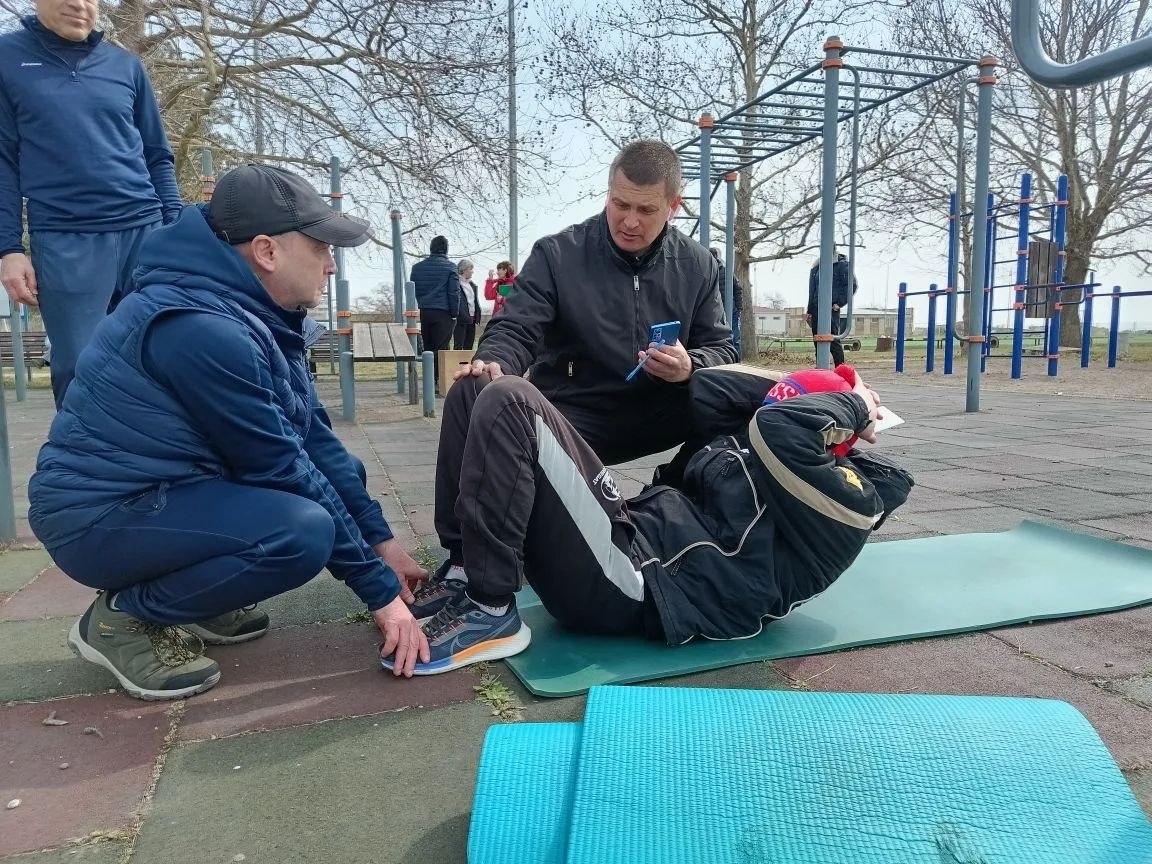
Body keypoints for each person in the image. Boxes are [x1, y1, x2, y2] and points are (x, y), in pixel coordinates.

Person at [28, 165, 430, 701]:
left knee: (304, 510)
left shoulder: (256, 314)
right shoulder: (203, 328)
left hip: (163, 495)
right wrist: (382, 597)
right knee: (299, 532)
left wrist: (385, 547)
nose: (331, 265)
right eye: (321, 248)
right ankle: (119, 620)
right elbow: (282, 468)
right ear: (266, 251)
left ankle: (198, 600)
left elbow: (315, 442)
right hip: (98, 520)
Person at [398, 139, 737, 642]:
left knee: (742, 399)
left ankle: (710, 526)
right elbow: (516, 328)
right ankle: (469, 567)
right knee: (475, 390)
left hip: (663, 405)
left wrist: (691, 366)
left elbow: (726, 352)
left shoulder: (699, 265)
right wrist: (494, 361)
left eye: (646, 210)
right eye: (620, 203)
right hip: (575, 414)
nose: (629, 221)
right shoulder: (558, 254)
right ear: (608, 192)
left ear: (673, 206)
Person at [381, 362, 912, 674]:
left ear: (830, 430)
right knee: (475, 390)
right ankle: (467, 572)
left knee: (512, 400)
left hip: (639, 587)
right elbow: (710, 391)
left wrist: (856, 405)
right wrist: (786, 386)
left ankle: (493, 609)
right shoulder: (755, 436)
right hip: (626, 537)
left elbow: (781, 431)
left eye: (787, 405)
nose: (768, 411)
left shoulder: (850, 503)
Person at [0, 0, 183, 408]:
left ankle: (158, 467)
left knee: (162, 358)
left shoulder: (126, 66)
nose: (79, 4)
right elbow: (3, 163)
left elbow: (157, 155)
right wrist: (9, 248)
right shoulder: (6, 59)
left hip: (146, 232)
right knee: (80, 367)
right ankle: (83, 466)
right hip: (66, 238)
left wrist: (177, 230)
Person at [410, 235, 459, 389]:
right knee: (442, 347)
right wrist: (454, 312)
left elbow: (414, 290)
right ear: (446, 249)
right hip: (444, 312)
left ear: (431, 248)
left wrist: (422, 303)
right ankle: (440, 380)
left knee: (428, 347)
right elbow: (454, 292)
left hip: (425, 311)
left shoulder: (417, 268)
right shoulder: (451, 267)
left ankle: (429, 380)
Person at [806, 252, 858, 366]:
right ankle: (821, 368)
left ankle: (841, 369)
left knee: (833, 340)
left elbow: (851, 285)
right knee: (818, 340)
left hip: (830, 307)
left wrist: (839, 302)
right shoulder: (817, 267)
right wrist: (809, 311)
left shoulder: (841, 265)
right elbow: (812, 290)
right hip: (816, 307)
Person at [710, 246, 744, 359]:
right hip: (717, 311)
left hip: (730, 310)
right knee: (721, 340)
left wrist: (739, 308)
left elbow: (738, 289)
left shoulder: (726, 272)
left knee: (735, 339)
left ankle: (737, 363)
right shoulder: (709, 272)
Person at [453, 258, 482, 350]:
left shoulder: (472, 284)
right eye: (470, 269)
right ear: (464, 270)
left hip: (472, 318)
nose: (472, 272)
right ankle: (456, 364)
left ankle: (468, 364)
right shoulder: (455, 283)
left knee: (469, 345)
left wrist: (477, 315)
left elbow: (474, 301)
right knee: (459, 345)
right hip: (461, 319)